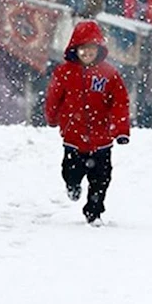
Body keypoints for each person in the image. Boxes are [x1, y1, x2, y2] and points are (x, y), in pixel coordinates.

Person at [45, 20, 130, 226]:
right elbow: (54, 97)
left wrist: (120, 130)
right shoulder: (64, 72)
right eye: (82, 48)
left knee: (101, 179)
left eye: (91, 48)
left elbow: (120, 102)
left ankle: (94, 212)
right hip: (74, 137)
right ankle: (73, 185)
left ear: (98, 49)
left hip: (102, 140)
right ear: (75, 50)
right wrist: (52, 117)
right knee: (70, 171)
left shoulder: (109, 74)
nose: (87, 53)